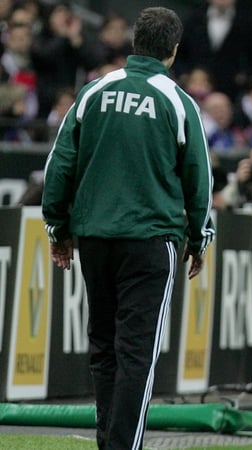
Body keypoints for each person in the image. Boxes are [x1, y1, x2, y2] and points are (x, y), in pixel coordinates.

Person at [41, 7, 215, 449]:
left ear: (133, 43)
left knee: (103, 346)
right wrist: (199, 237)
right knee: (137, 352)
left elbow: (59, 165)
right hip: (151, 240)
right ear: (173, 51)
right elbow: (199, 177)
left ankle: (108, 442)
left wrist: (58, 229)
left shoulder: (94, 91)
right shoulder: (177, 101)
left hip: (95, 239)